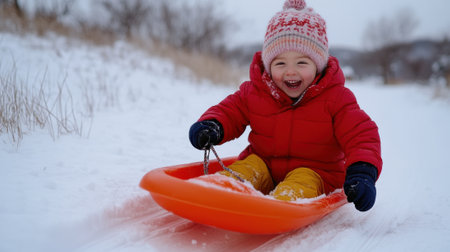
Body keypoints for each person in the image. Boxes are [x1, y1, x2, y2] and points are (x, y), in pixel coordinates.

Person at [189, 0, 382, 212]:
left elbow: (361, 135)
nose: (290, 72)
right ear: (268, 65)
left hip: (316, 172)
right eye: (280, 63)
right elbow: (231, 111)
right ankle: (219, 191)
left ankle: (281, 205)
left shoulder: (337, 98)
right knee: (247, 167)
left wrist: (363, 172)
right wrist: (213, 125)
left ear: (318, 66)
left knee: (301, 182)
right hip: (264, 164)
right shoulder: (256, 91)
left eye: (301, 63)